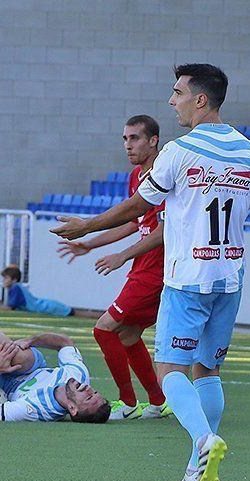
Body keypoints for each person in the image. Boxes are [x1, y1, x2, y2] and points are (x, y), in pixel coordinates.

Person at [52, 64, 250, 481]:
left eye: (177, 92)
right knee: (209, 372)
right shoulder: (249, 151)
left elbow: (138, 207)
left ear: (201, 99)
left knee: (171, 371)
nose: (171, 100)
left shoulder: (178, 153)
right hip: (230, 278)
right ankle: (196, 464)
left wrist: (86, 228)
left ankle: (203, 439)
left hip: (187, 279)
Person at [57, 114, 170, 421]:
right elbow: (135, 222)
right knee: (129, 335)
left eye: (134, 138)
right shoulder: (136, 176)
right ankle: (158, 403)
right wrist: (89, 243)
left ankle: (129, 403)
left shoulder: (165, 173)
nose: (128, 145)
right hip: (142, 267)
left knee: (104, 329)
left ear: (153, 140)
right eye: (124, 139)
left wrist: (121, 255)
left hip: (156, 271)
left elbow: (166, 229)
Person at [1, 265, 74, 316]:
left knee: (72, 313)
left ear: (14, 280)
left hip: (45, 308)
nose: (3, 280)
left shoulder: (15, 287)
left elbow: (9, 308)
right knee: (71, 312)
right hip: (45, 305)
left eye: (6, 278)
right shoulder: (17, 287)